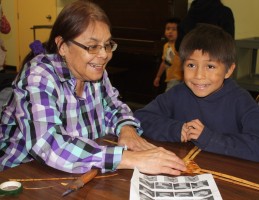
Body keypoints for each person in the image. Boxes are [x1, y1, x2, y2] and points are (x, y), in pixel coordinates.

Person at [0, 0, 186, 175]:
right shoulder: (39, 75)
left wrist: (127, 129)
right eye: (92, 46)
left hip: (77, 171)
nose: (104, 55)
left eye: (107, 45)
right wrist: (130, 158)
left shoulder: (95, 73)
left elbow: (115, 107)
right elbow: (49, 145)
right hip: (21, 174)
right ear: (62, 46)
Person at [134, 24, 259, 162]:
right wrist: (176, 129)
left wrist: (209, 138)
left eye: (210, 66)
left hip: (228, 176)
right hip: (187, 170)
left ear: (228, 70)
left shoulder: (240, 100)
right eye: (191, 65)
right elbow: (140, 118)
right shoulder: (178, 93)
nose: (199, 75)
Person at [153, 18, 183, 92]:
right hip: (170, 78)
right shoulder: (166, 46)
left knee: (169, 99)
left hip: (179, 78)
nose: (170, 31)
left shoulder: (180, 45)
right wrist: (158, 76)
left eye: (174, 29)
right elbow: (166, 62)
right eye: (168, 29)